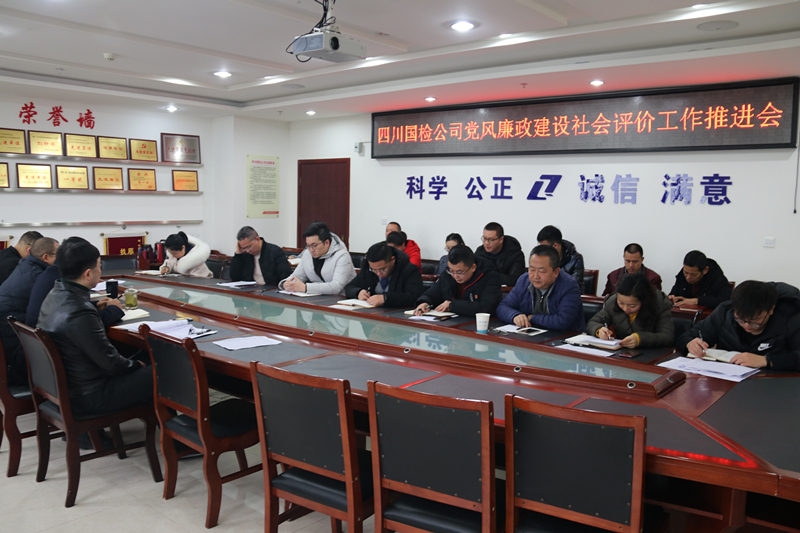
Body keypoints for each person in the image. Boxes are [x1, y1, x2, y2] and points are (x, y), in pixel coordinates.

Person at [37, 237, 153, 416]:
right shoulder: (79, 313)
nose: (101, 271)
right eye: (99, 266)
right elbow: (112, 365)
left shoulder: (54, 293)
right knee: (163, 369)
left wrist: (93, 307)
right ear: (88, 274)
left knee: (146, 357)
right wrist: (137, 364)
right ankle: (175, 429)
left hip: (67, 388)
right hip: (91, 396)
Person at [677, 280, 800, 370]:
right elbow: (686, 336)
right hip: (726, 379)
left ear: (771, 310)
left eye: (755, 321)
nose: (747, 326)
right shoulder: (724, 313)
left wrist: (766, 360)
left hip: (773, 383)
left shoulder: (791, 319)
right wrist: (690, 343)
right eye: (740, 320)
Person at [0, 237, 59, 385]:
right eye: (58, 255)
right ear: (46, 257)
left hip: (9, 328)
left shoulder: (25, 264)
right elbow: (52, 309)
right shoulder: (39, 276)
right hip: (14, 340)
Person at [497, 245, 585, 331]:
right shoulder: (524, 281)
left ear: (556, 272)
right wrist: (514, 316)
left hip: (564, 336)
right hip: (531, 334)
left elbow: (563, 321)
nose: (535, 276)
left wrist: (532, 318)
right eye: (532, 270)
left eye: (542, 271)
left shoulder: (569, 285)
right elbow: (502, 307)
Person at [588, 273, 674, 348]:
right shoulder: (613, 301)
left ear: (644, 300)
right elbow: (593, 322)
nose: (626, 309)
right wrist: (599, 330)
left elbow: (667, 336)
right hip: (620, 352)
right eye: (621, 303)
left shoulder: (660, 303)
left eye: (632, 306)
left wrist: (640, 339)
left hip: (651, 354)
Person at [26, 263, 124, 328]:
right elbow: (87, 320)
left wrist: (95, 305)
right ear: (88, 273)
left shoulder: (55, 287)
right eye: (99, 267)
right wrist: (114, 309)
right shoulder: (78, 310)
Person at [413, 245, 501, 317]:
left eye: (459, 272)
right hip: (450, 323)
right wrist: (424, 302)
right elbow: (432, 293)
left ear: (473, 267)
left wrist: (452, 305)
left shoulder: (490, 277)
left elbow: (485, 307)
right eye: (451, 271)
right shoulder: (447, 274)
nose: (455, 276)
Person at [280, 221, 356, 294]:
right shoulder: (307, 254)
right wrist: (285, 284)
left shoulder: (342, 256)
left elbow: (336, 287)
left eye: (314, 245)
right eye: (308, 246)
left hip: (341, 298)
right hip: (317, 297)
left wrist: (305, 288)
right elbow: (297, 276)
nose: (311, 250)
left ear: (326, 243)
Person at [344, 242, 423, 308]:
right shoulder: (368, 269)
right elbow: (349, 287)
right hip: (372, 313)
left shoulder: (409, 270)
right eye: (374, 270)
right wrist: (358, 292)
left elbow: (414, 297)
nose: (378, 273)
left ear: (392, 260)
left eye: (383, 269)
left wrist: (386, 298)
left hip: (396, 315)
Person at [474, 222, 526, 287]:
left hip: (508, 291)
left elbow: (515, 280)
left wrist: (490, 276)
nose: (486, 243)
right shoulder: (479, 253)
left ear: (501, 239)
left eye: (491, 239)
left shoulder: (515, 254)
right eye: (485, 238)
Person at [537, 225, 585, 292]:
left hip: (567, 295)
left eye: (545, 248)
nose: (542, 251)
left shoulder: (576, 259)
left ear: (555, 246)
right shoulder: (542, 258)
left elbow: (574, 286)